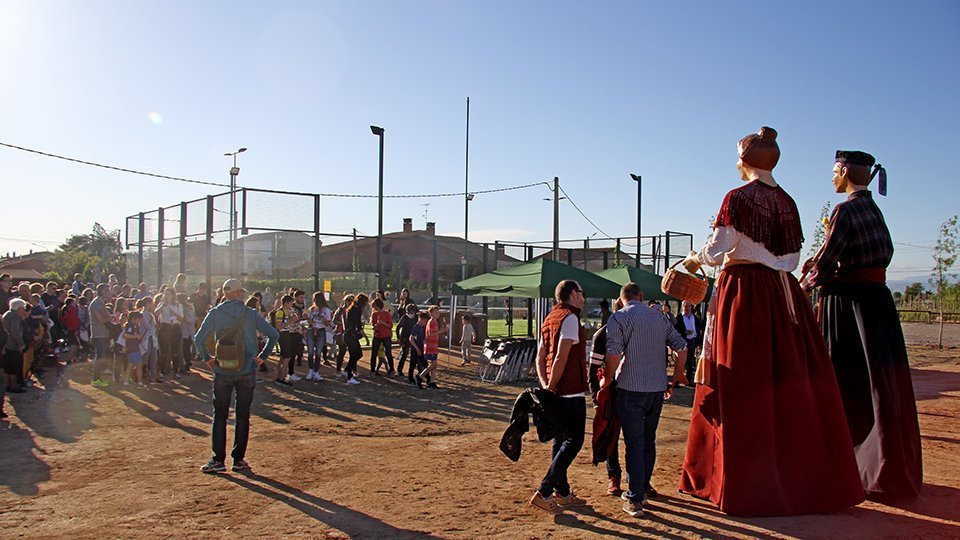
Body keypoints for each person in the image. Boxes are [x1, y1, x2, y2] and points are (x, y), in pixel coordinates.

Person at [678, 126, 863, 516]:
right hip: (783, 294)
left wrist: (693, 259)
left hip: (743, 294)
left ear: (745, 160)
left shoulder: (737, 197)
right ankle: (800, 477)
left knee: (740, 378)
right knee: (789, 380)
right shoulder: (789, 203)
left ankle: (741, 483)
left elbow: (718, 249)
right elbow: (792, 259)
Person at [801, 150, 922, 499]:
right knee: (881, 385)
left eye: (833, 172)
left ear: (842, 171)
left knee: (848, 384)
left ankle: (854, 466)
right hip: (878, 307)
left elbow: (827, 261)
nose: (832, 179)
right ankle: (888, 467)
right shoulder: (874, 209)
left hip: (849, 309)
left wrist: (800, 287)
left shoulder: (845, 210)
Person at [603, 282, 689, 517]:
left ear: (621, 299)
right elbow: (682, 347)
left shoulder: (619, 318)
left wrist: (608, 378)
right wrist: (676, 377)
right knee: (648, 439)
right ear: (641, 296)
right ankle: (640, 488)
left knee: (634, 441)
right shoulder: (659, 318)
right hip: (656, 387)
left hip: (631, 387)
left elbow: (614, 352)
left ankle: (635, 497)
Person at [196, 278, 280, 474]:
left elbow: (198, 339)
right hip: (247, 369)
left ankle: (218, 459)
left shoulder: (215, 313)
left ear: (225, 294)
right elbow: (273, 335)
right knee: (243, 415)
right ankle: (238, 459)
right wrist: (262, 358)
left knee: (220, 415)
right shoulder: (250, 313)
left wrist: (207, 358)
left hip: (223, 369)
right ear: (238, 293)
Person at [529, 280, 590, 514]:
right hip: (569, 390)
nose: (584, 298)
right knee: (573, 441)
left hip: (555, 389)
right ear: (573, 294)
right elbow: (560, 358)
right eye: (582, 293)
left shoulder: (549, 318)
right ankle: (545, 491)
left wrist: (546, 385)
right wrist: (552, 386)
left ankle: (562, 492)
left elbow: (540, 356)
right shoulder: (570, 318)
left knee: (560, 440)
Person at [3, 299, 30, 405]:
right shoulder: (14, 316)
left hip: (7, 345)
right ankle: (14, 386)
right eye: (23, 308)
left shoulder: (8, 314)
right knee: (14, 366)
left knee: (9, 367)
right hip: (12, 345)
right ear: (19, 308)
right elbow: (15, 331)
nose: (23, 310)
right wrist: (20, 343)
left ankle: (9, 385)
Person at [89, 283, 113, 387]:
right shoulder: (95, 304)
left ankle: (98, 378)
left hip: (103, 334)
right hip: (98, 335)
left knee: (101, 357)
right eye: (108, 290)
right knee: (99, 357)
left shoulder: (101, 302)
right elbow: (101, 319)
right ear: (103, 291)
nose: (110, 292)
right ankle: (95, 380)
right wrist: (112, 318)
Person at [417, 305, 448, 389]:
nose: (437, 314)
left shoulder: (435, 322)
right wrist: (441, 331)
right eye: (435, 312)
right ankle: (420, 376)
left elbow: (435, 332)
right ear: (431, 313)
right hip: (430, 345)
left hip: (434, 345)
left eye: (438, 312)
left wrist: (442, 330)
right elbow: (430, 334)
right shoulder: (431, 322)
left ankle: (432, 382)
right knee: (433, 365)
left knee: (434, 365)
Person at [270, 295, 297, 386]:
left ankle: (282, 376)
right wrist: (289, 321)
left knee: (283, 357)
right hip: (282, 335)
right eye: (290, 304)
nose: (291, 306)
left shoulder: (287, 311)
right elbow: (278, 326)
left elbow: (295, 319)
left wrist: (292, 316)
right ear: (286, 303)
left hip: (286, 334)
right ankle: (281, 378)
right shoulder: (280, 312)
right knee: (287, 357)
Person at [674, 301, 703, 384]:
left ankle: (689, 380)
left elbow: (699, 328)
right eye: (685, 306)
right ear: (683, 307)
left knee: (690, 362)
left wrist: (698, 334)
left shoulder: (695, 318)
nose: (687, 308)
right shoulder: (679, 318)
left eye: (689, 306)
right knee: (680, 362)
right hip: (683, 341)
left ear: (691, 307)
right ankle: (677, 381)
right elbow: (675, 329)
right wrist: (684, 332)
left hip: (692, 341)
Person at [342, 294, 368, 385]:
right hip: (351, 336)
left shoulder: (352, 309)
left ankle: (347, 371)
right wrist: (365, 337)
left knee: (356, 354)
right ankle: (349, 376)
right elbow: (358, 325)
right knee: (355, 355)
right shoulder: (356, 310)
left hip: (348, 335)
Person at [370, 297, 395, 375]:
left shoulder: (387, 314)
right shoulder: (374, 314)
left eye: (375, 306)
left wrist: (383, 323)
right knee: (374, 353)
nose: (374, 308)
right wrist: (375, 327)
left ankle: (392, 369)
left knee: (388, 353)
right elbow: (373, 325)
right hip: (377, 335)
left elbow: (390, 325)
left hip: (386, 336)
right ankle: (372, 370)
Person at [395, 303, 418, 382]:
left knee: (415, 354)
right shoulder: (404, 317)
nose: (410, 315)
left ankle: (417, 369)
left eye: (412, 313)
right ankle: (399, 370)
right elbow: (398, 327)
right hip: (405, 337)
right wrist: (398, 338)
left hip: (413, 337)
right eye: (408, 313)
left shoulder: (416, 318)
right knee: (404, 354)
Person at [122, 311, 144, 387]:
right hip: (132, 348)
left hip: (135, 347)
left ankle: (128, 382)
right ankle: (137, 382)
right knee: (134, 365)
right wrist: (136, 336)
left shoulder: (135, 326)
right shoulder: (130, 326)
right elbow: (126, 335)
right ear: (134, 319)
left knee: (133, 365)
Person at [408, 311, 429, 389]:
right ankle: (410, 379)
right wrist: (417, 349)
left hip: (420, 348)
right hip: (415, 349)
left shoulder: (421, 327)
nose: (425, 323)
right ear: (421, 320)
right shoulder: (416, 327)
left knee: (425, 364)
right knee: (413, 364)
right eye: (425, 321)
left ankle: (427, 378)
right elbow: (411, 339)